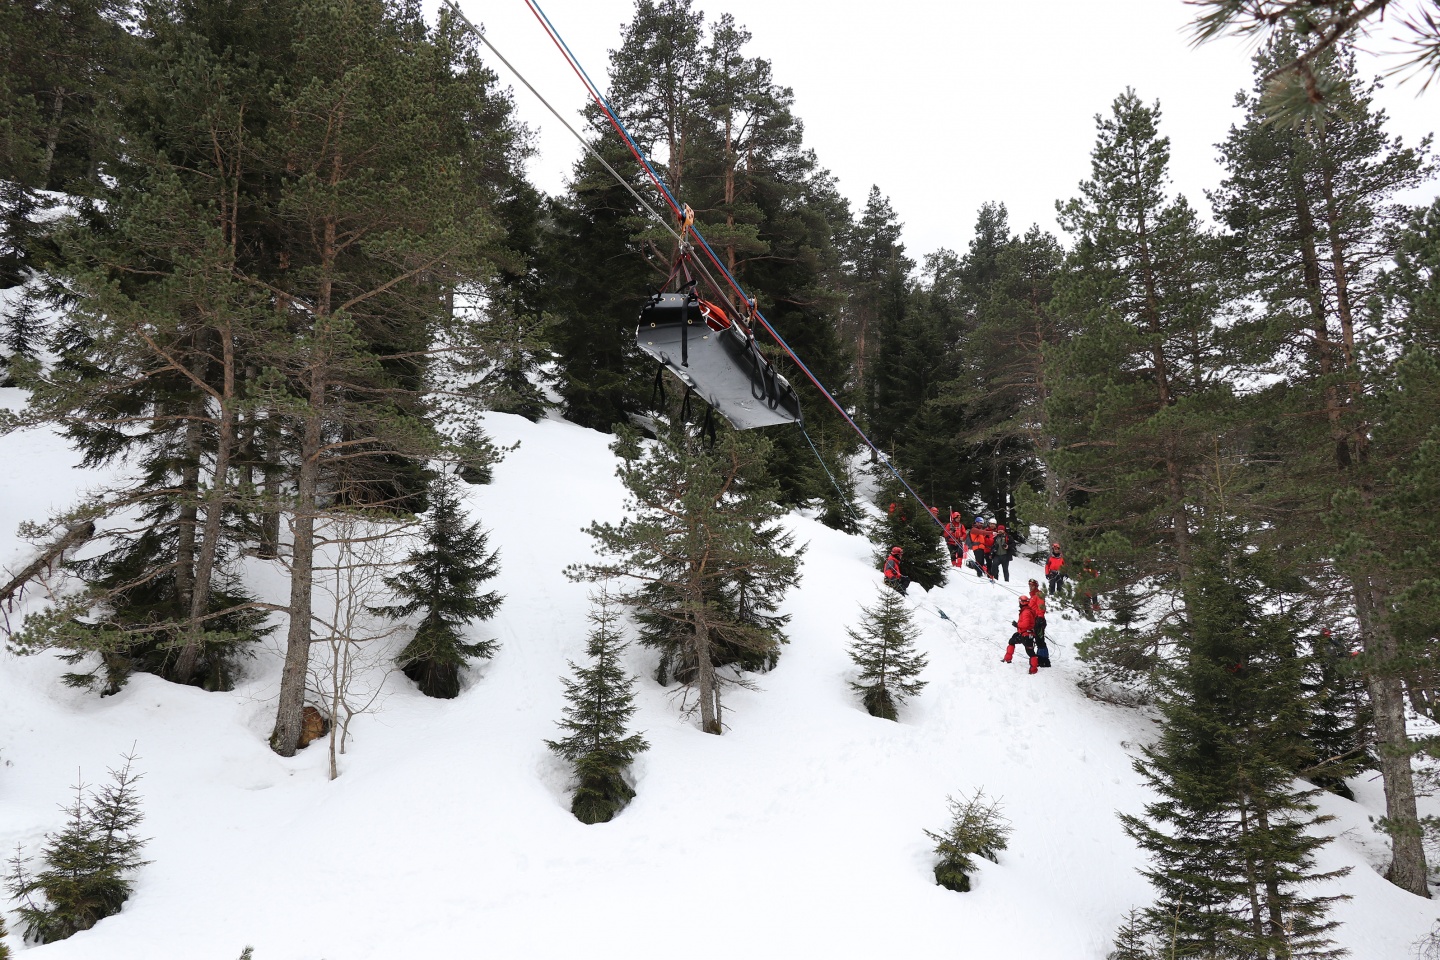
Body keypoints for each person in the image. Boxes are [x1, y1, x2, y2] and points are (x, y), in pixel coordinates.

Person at [1004, 595, 1040, 675]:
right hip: (1025, 634)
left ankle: (1033, 669)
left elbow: (1026, 624)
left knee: (1030, 652)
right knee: (1012, 640)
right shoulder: (1027, 610)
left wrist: (1017, 625)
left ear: (1022, 603)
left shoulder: (1026, 612)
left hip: (1026, 635)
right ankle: (1007, 659)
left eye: (1020, 602)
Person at [1028, 579, 1050, 667]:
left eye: (1032, 586)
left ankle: (1044, 660)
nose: (1030, 587)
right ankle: (1040, 658)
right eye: (1029, 585)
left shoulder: (1039, 594)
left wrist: (1040, 618)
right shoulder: (1033, 596)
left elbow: (1041, 607)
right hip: (1034, 620)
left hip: (1039, 620)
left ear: (1036, 586)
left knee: (1040, 640)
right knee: (1038, 640)